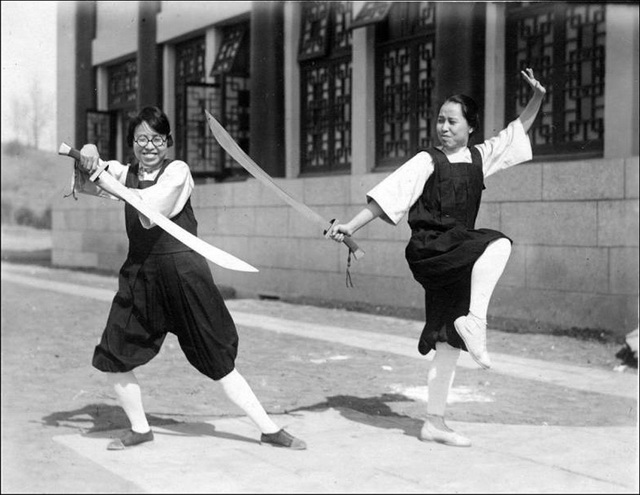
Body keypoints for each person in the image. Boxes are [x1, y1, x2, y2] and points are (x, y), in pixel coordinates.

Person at [328, 69, 546, 447]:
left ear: (470, 127)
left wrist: (538, 98)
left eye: (452, 121)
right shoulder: (426, 160)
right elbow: (388, 198)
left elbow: (516, 132)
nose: (443, 127)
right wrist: (351, 226)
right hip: (432, 248)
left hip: (458, 253)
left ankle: (434, 423)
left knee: (448, 340)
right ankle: (477, 321)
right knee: (499, 243)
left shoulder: (480, 157)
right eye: (440, 120)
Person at [74, 106, 306, 451]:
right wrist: (88, 155)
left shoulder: (177, 171)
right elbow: (90, 181)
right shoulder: (126, 174)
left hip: (184, 274)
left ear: (167, 142)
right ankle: (140, 428)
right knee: (114, 352)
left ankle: (268, 428)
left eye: (156, 138)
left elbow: (151, 208)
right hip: (141, 275)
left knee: (216, 357)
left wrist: (106, 178)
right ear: (132, 144)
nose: (148, 146)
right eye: (141, 139)